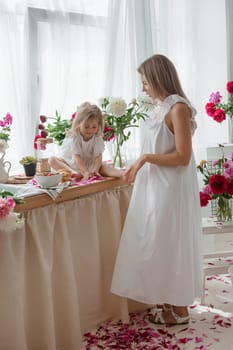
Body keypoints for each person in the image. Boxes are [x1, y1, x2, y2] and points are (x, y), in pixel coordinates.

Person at [110, 54, 202, 325]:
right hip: (158, 187)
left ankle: (181, 310)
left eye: (146, 83)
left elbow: (182, 157)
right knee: (159, 243)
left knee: (171, 243)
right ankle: (172, 304)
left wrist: (145, 158)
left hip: (171, 189)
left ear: (159, 79)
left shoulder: (178, 109)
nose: (143, 89)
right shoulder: (160, 107)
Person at [49, 102, 123, 180]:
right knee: (52, 160)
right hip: (72, 164)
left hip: (90, 164)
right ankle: (74, 173)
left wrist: (95, 170)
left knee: (103, 167)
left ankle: (122, 173)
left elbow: (98, 156)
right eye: (86, 127)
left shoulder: (97, 137)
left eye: (94, 127)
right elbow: (77, 157)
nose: (90, 130)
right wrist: (85, 172)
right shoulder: (75, 136)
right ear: (79, 124)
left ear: (98, 125)